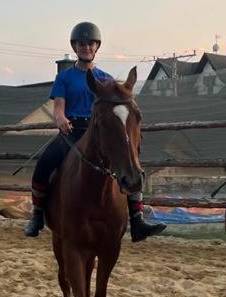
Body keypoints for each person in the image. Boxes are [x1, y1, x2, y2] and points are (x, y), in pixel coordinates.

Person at [23, 21, 167, 242]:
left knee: (130, 159)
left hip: (100, 131)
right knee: (44, 163)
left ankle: (136, 219)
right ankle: (37, 215)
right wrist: (60, 118)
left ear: (96, 46)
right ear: (75, 47)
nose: (86, 48)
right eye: (82, 44)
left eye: (90, 44)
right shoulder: (64, 78)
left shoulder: (105, 78)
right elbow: (58, 106)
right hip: (72, 130)